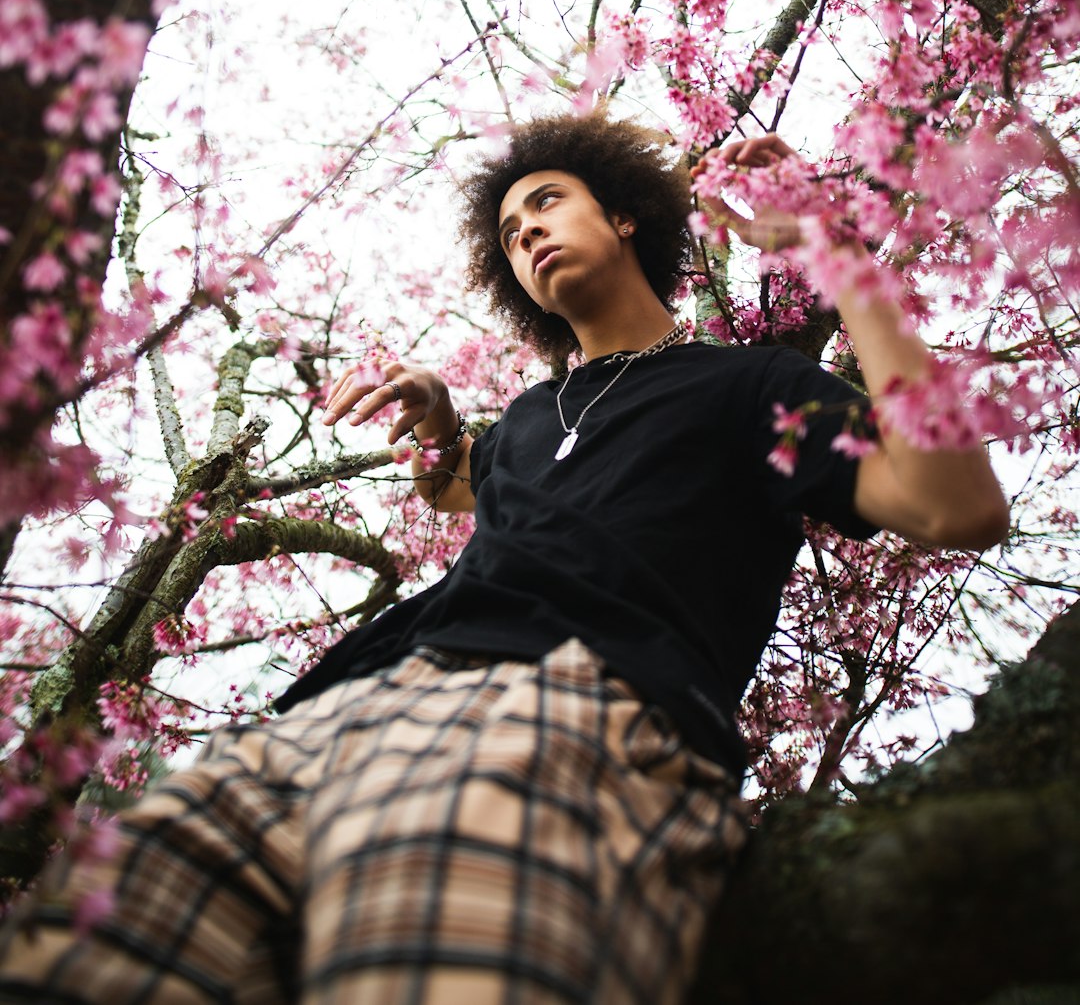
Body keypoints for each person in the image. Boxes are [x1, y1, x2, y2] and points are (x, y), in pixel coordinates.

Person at [0, 113, 1009, 1005]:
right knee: (95, 948)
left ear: (624, 218)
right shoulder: (533, 418)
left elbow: (952, 502)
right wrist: (441, 425)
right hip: (344, 711)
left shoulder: (752, 387)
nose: (523, 228)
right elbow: (463, 486)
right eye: (508, 230)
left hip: (577, 712)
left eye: (545, 201)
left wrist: (843, 256)